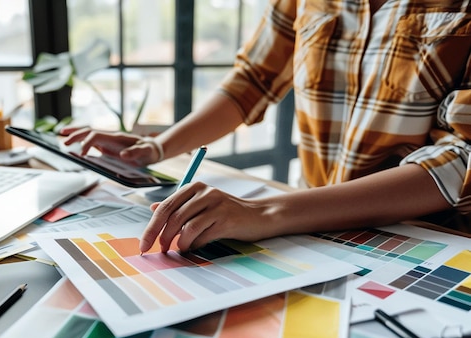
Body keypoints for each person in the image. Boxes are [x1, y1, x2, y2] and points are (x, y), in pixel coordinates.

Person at [63, 0, 471, 255]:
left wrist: (266, 211)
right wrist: (155, 148)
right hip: (318, 233)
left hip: (428, 242)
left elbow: (463, 158)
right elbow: (254, 79)